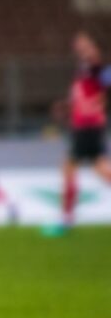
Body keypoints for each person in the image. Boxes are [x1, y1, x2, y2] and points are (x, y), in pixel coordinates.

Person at [48, 32, 111, 237]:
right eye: (78, 44)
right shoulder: (83, 72)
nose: (81, 47)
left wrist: (98, 103)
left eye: (85, 44)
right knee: (100, 169)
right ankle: (66, 218)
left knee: (70, 167)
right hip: (84, 126)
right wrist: (66, 107)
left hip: (88, 127)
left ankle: (66, 219)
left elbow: (103, 80)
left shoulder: (95, 68)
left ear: (94, 48)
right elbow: (83, 96)